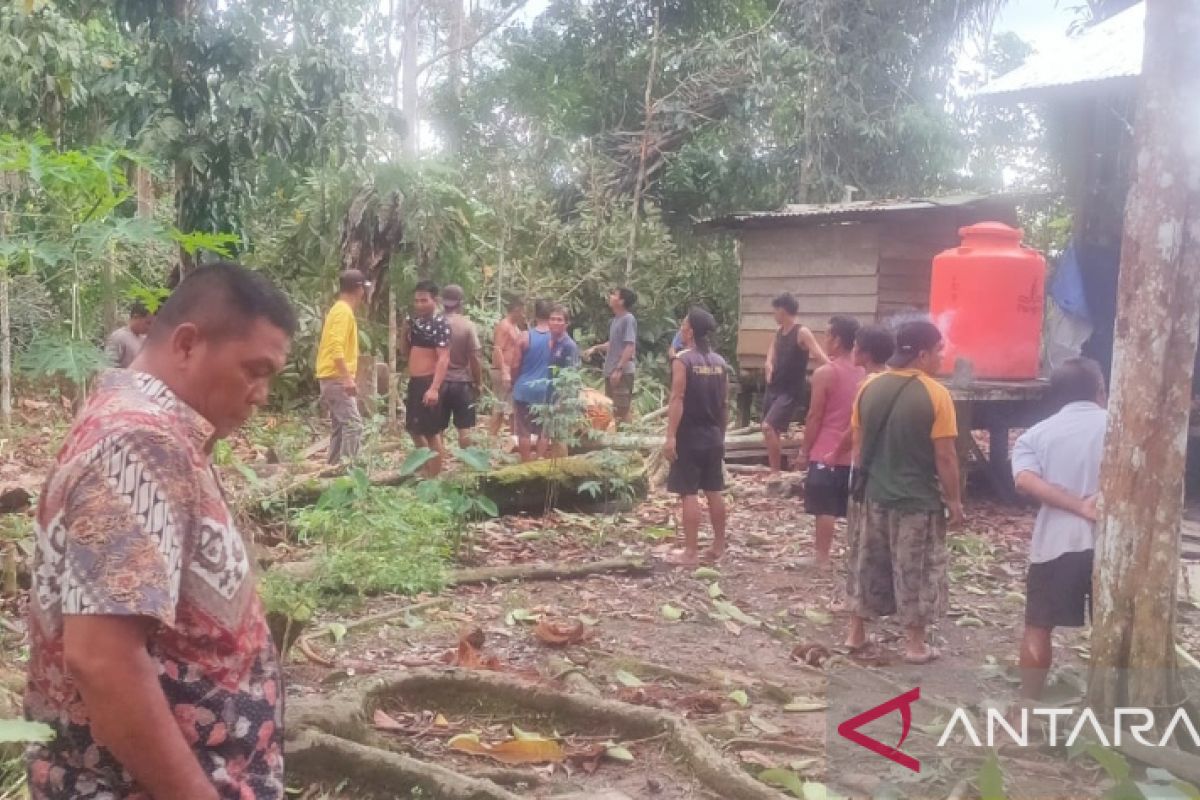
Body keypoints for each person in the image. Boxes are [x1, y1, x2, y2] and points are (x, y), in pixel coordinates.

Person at [25, 262, 295, 800]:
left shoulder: (149, 429)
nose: (262, 394)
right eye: (254, 370)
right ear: (189, 344)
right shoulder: (139, 444)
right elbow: (104, 659)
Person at [844, 320, 963, 664]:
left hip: (874, 495)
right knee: (916, 569)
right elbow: (945, 455)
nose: (941, 358)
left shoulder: (869, 387)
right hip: (916, 501)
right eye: (939, 351)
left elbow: (858, 443)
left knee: (868, 562)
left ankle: (856, 632)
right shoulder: (936, 394)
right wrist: (954, 500)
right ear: (923, 354)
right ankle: (914, 645)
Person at [1011, 358, 1107, 701]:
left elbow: (1024, 480)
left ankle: (1027, 706)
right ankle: (1111, 708)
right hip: (1112, 545)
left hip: (1056, 543)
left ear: (1057, 395)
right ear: (1101, 390)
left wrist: (1076, 506)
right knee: (1112, 629)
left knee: (1038, 626)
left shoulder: (1036, 436)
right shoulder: (1122, 426)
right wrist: (1095, 502)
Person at [664, 308, 729, 566]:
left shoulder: (683, 360)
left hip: (689, 436)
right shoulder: (720, 362)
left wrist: (670, 436)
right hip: (713, 435)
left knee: (688, 493)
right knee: (714, 490)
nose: (681, 329)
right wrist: (721, 435)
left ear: (690, 331)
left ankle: (690, 552)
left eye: (683, 325)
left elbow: (677, 398)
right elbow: (724, 403)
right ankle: (718, 546)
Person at [801, 315, 864, 569]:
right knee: (852, 506)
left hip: (826, 447)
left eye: (827, 335)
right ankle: (854, 558)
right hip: (856, 450)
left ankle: (822, 557)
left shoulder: (825, 373)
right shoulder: (865, 372)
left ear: (837, 340)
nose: (824, 340)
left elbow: (815, 415)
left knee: (824, 507)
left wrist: (804, 450)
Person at [761, 293, 828, 477]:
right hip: (774, 386)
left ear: (782, 310)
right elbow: (772, 348)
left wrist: (835, 370)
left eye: (775, 311)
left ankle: (775, 473)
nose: (774, 315)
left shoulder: (801, 332)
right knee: (768, 430)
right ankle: (776, 468)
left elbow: (819, 354)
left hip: (790, 390)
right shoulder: (779, 331)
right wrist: (768, 363)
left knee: (769, 426)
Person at [315, 270, 370, 464]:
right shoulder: (343, 312)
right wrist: (346, 378)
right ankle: (347, 471)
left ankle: (332, 469)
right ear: (359, 289)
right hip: (335, 378)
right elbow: (336, 348)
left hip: (331, 377)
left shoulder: (340, 310)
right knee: (354, 425)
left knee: (340, 426)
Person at [401, 280, 451, 475]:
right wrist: (404, 331)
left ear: (435, 300)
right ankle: (425, 467)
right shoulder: (417, 323)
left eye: (424, 300)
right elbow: (406, 352)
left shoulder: (440, 323)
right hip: (416, 381)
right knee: (413, 429)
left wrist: (434, 388)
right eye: (417, 301)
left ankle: (435, 476)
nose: (420, 304)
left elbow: (443, 357)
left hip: (429, 381)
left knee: (431, 432)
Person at [584, 287, 638, 425]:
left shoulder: (628, 319)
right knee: (611, 408)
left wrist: (619, 369)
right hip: (611, 372)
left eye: (614, 295)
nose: (611, 296)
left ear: (621, 301)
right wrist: (595, 348)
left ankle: (627, 440)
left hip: (620, 372)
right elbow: (613, 344)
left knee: (620, 410)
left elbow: (630, 346)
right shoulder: (615, 320)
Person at [440, 284, 483, 449]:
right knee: (464, 428)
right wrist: (478, 382)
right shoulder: (467, 325)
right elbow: (475, 357)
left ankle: (437, 463)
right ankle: (467, 463)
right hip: (462, 383)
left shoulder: (435, 323)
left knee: (438, 429)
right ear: (460, 303)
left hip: (439, 382)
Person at [512, 300, 554, 462]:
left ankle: (525, 461)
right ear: (550, 315)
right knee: (544, 430)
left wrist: (515, 381)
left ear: (535, 315)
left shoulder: (524, 336)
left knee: (524, 429)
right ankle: (540, 458)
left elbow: (515, 364)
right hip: (547, 390)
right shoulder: (556, 338)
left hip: (525, 389)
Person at [489, 295, 526, 438]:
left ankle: (513, 442)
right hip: (502, 372)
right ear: (516, 310)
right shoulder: (504, 326)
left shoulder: (515, 327)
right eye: (522, 311)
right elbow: (498, 348)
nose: (523, 315)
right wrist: (505, 372)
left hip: (513, 372)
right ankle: (489, 443)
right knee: (499, 409)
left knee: (512, 410)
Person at [105, 301, 153, 368]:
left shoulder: (145, 339)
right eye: (148, 323)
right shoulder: (119, 337)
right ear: (136, 317)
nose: (150, 327)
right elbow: (108, 366)